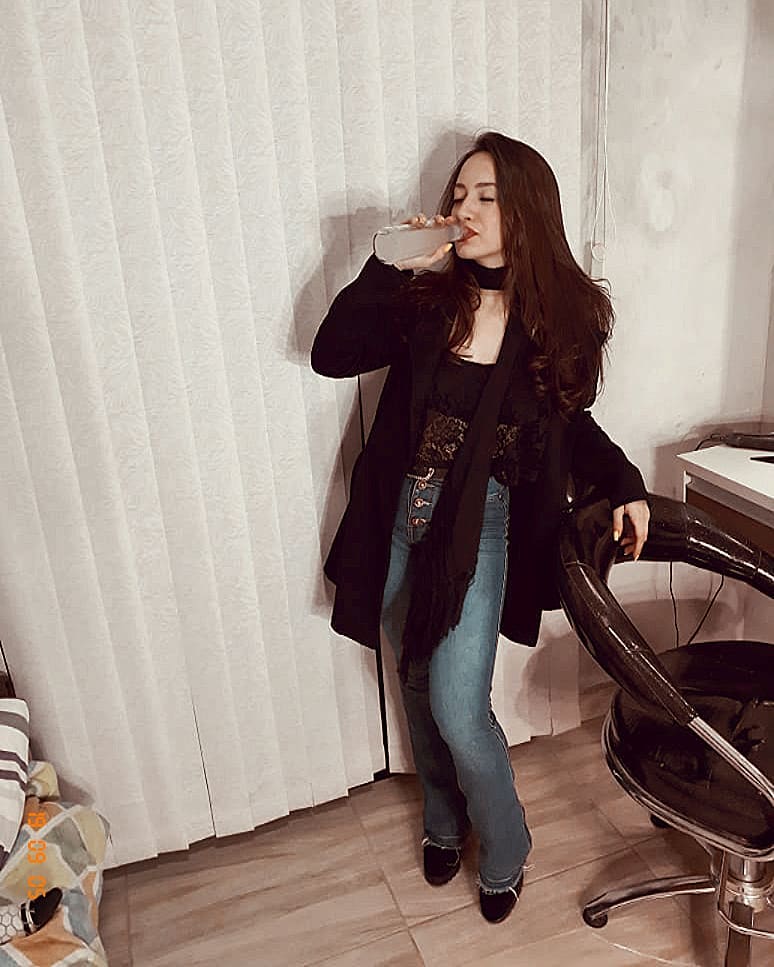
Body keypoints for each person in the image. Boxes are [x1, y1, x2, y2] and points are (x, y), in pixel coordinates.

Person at [311, 131, 650, 924]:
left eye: (486, 196)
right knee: (414, 679)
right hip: (398, 514)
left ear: (526, 210)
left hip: (482, 532)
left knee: (460, 709)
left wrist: (625, 482)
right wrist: (387, 263)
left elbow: (573, 427)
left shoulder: (561, 324)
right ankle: (441, 813)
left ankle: (507, 842)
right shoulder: (426, 301)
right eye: (458, 194)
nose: (464, 207)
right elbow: (331, 351)